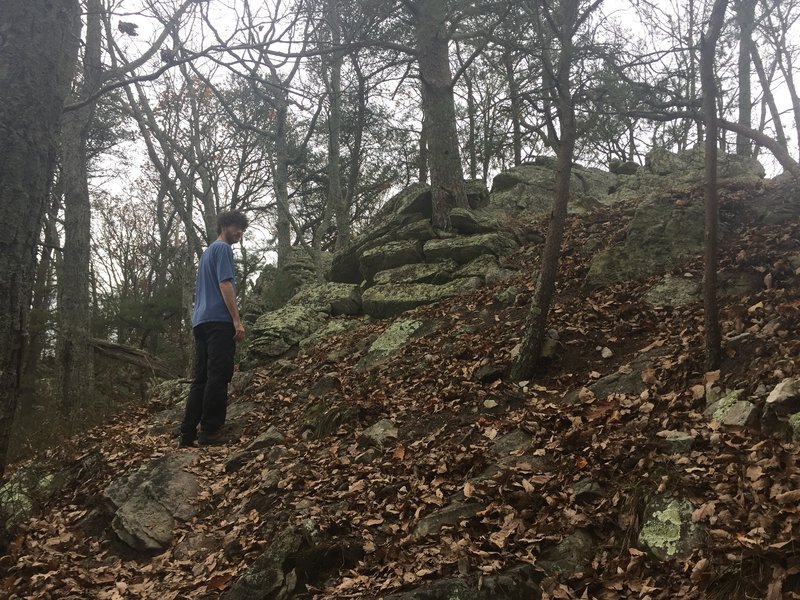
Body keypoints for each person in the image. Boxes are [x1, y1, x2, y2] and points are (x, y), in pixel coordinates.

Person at [180, 210, 249, 447]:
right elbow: (225, 283)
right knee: (218, 375)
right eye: (236, 227)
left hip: (200, 321)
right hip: (218, 321)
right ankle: (211, 430)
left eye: (242, 228)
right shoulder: (222, 249)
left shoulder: (207, 253)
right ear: (224, 227)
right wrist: (236, 320)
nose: (239, 232)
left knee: (202, 378)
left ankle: (187, 433)